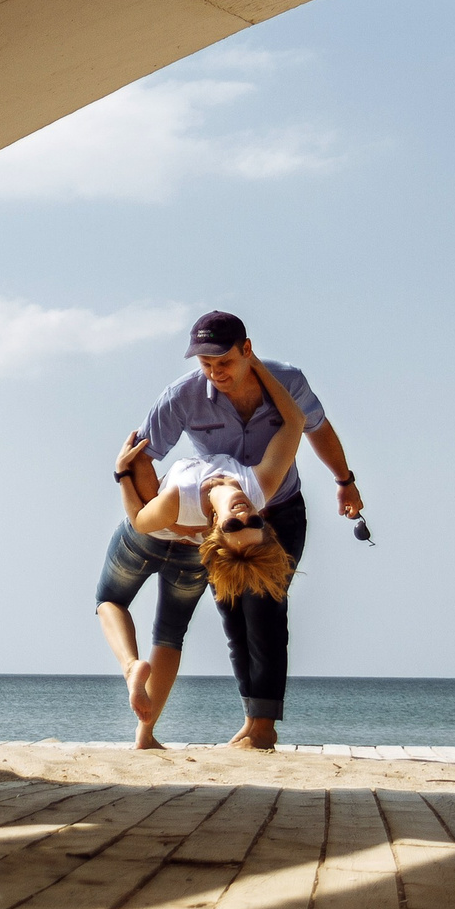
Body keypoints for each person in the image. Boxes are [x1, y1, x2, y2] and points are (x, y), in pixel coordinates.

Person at [135, 312, 364, 749]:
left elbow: (313, 427)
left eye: (223, 361)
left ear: (246, 349)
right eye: (205, 363)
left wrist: (344, 481)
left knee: (267, 606)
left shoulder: (287, 382)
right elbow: (142, 456)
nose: (215, 372)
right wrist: (175, 520)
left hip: (278, 510)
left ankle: (263, 727)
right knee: (232, 610)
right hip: (221, 518)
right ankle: (251, 719)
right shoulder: (182, 397)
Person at [94, 352, 304, 749]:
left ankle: (130, 667)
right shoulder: (259, 489)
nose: (245, 516)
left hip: (148, 538)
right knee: (169, 636)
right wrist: (255, 367)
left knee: (110, 599)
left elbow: (141, 518)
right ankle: (146, 735)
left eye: (233, 526)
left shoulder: (183, 496)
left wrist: (123, 473)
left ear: (217, 534)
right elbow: (295, 421)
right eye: (255, 524)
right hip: (188, 554)